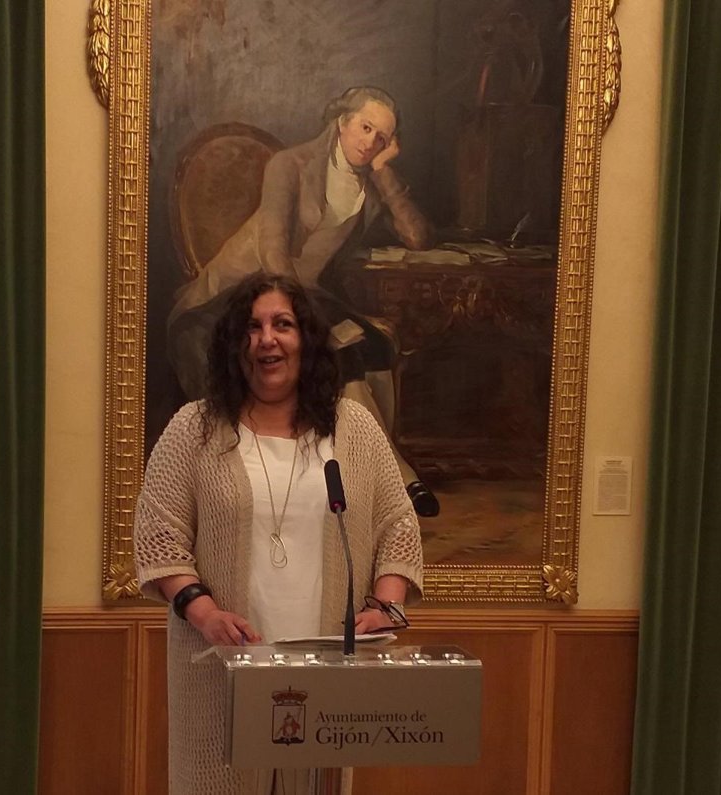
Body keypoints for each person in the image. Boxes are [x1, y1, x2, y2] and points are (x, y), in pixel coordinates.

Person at [136, 272, 424, 794]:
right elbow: (160, 535)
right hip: (223, 665)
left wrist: (386, 605)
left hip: (327, 672)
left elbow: (397, 523)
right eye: (252, 327)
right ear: (234, 344)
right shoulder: (194, 428)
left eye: (282, 325)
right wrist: (205, 612)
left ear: (306, 340)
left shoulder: (353, 428)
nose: (266, 339)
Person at [167, 86, 441, 517]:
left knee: (371, 346)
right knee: (340, 348)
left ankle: (369, 477)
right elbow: (273, 250)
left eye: (382, 138)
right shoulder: (290, 164)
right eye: (365, 127)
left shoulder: (370, 182)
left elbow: (419, 237)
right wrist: (306, 317)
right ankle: (398, 477)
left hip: (304, 291)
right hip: (243, 291)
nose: (370, 141)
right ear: (342, 121)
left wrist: (384, 172)